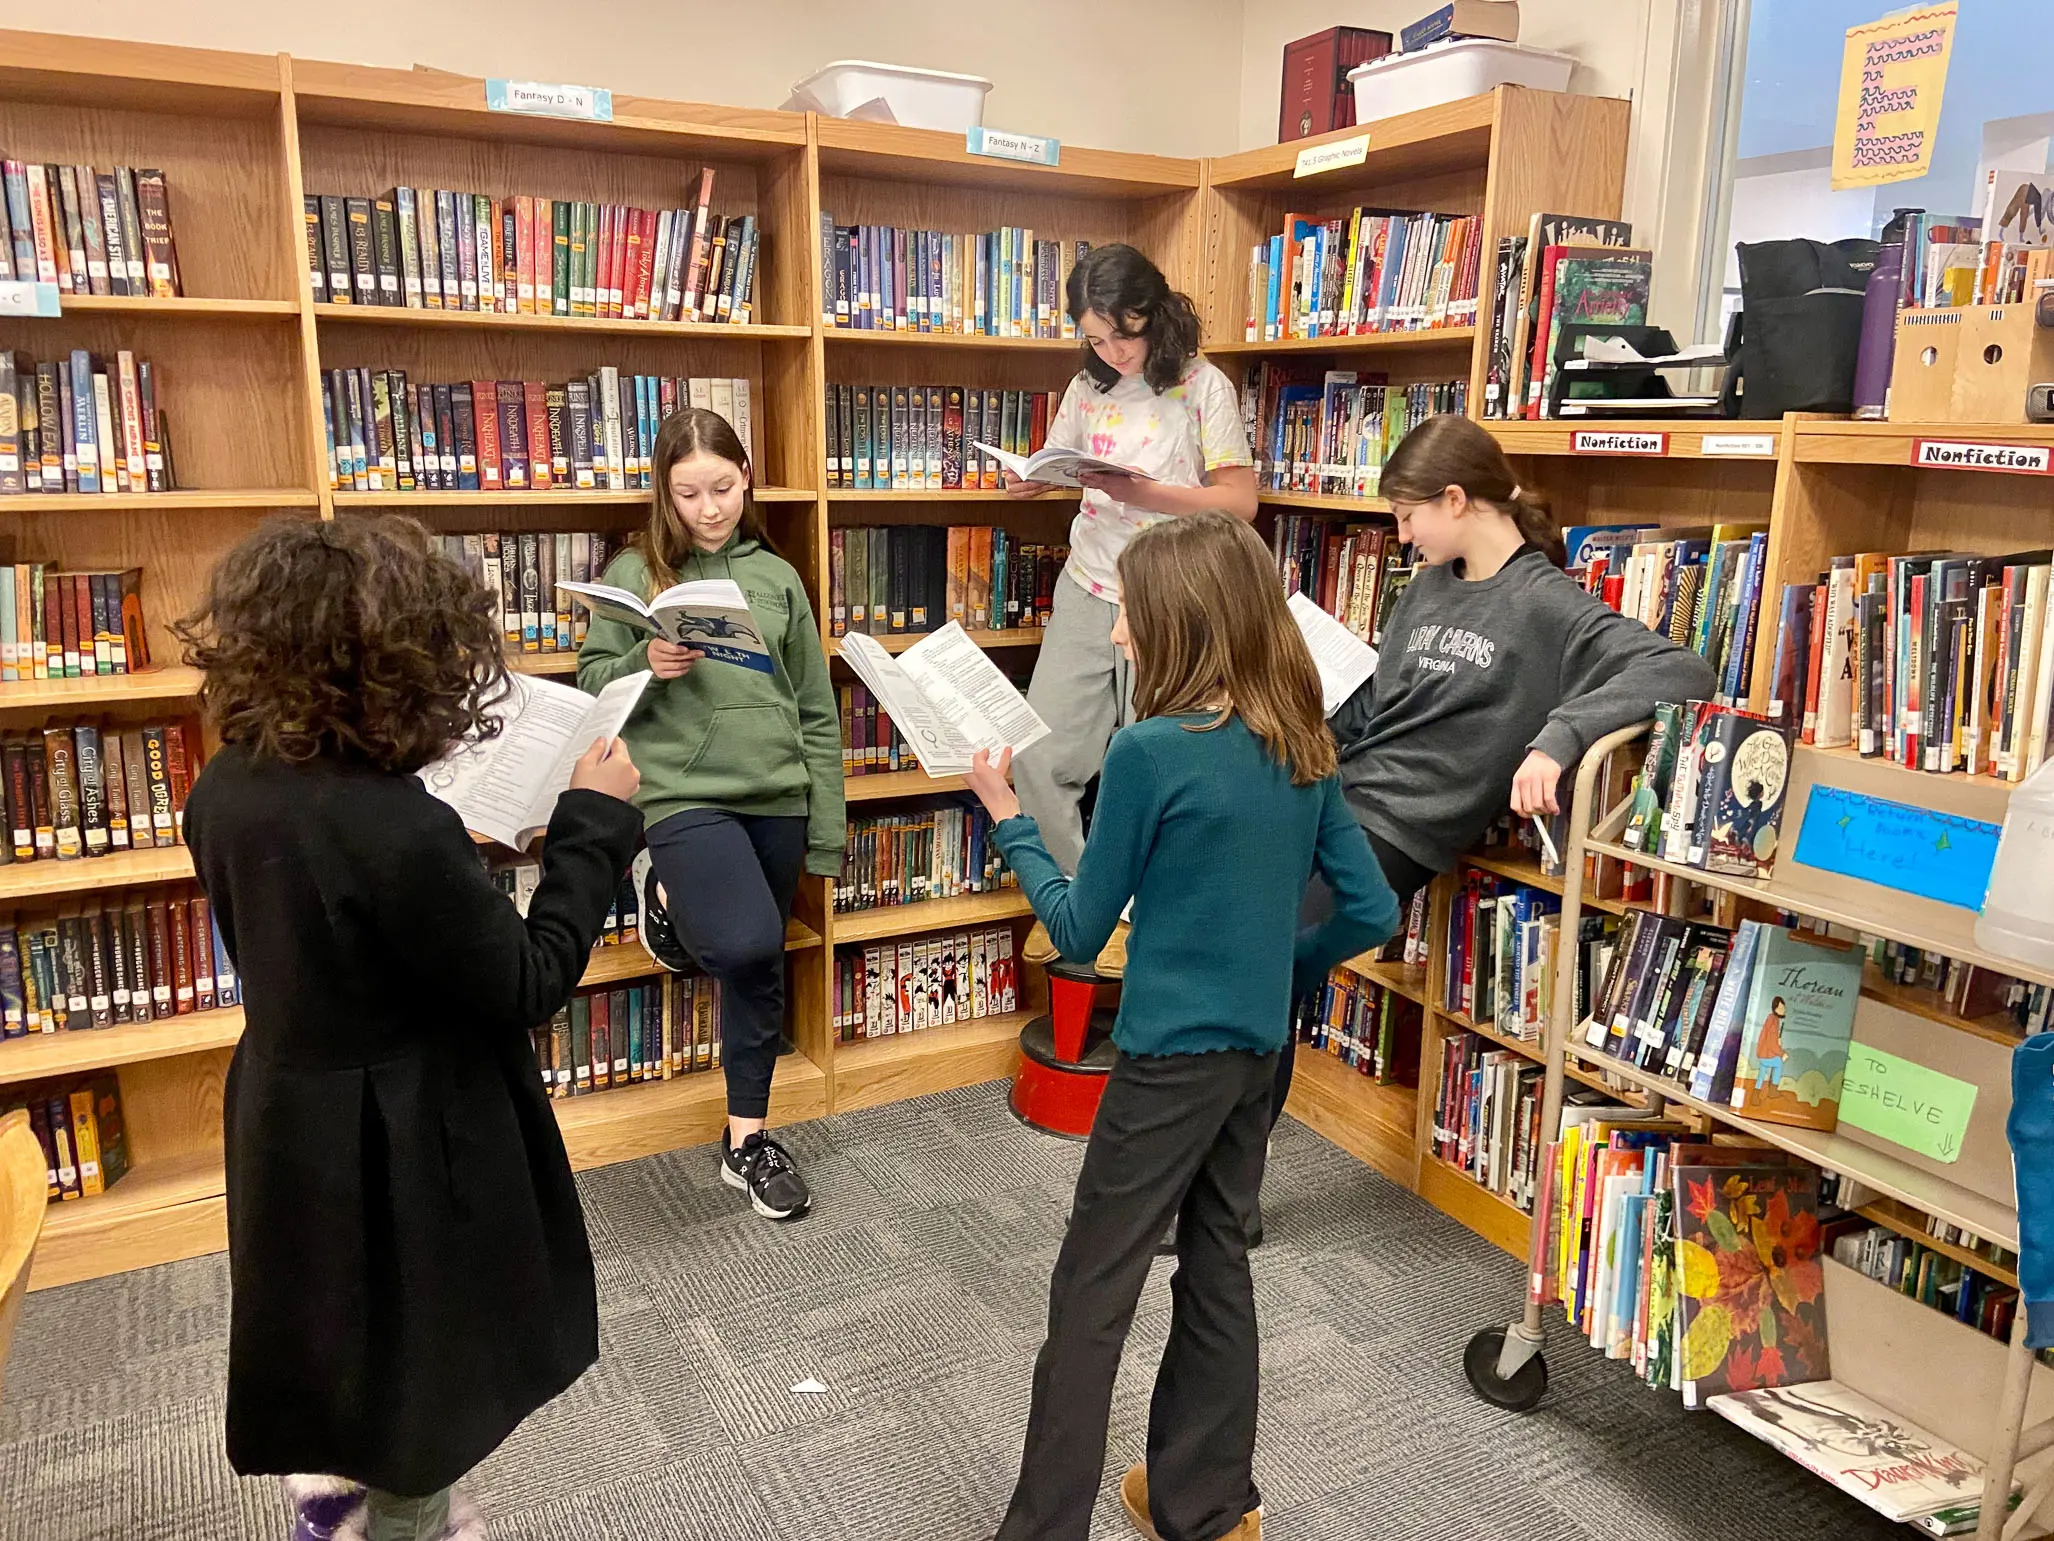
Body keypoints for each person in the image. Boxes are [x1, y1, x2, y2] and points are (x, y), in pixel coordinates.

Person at [179, 517, 643, 1541]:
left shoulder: (228, 781)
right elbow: (527, 978)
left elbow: (336, 909)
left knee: (339, 1333)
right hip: (402, 1136)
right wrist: (592, 828)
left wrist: (445, 863)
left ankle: (344, 1481)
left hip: (291, 1113)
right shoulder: (393, 824)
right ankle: (398, 1517)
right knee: (420, 1378)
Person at [964, 512, 1399, 1541]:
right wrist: (1277, 965)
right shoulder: (1301, 742)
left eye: (1131, 618)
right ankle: (1203, 1505)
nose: (1116, 638)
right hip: (1257, 1049)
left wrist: (1006, 814)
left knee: (1091, 1290)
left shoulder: (1151, 751)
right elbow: (1371, 910)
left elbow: (1074, 928)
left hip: (1167, 1062)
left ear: (1183, 624)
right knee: (1217, 1256)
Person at [1270, 413, 1720, 1132]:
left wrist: (1558, 737)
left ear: (1455, 499)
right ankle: (1213, 1166)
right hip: (1339, 789)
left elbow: (1684, 668)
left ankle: (1222, 1185)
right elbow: (1382, 709)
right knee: (1231, 925)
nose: (1404, 535)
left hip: (1402, 824)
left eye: (1407, 515)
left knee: (1264, 959)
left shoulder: (1547, 605)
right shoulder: (1425, 587)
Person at [577, 406, 843, 1222]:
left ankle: (747, 1141)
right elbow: (591, 687)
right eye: (689, 493)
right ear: (664, 492)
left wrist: (826, 830)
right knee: (745, 938)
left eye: (723, 487)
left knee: (757, 967)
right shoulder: (635, 573)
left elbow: (816, 709)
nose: (710, 508)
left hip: (777, 792)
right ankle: (665, 891)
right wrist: (641, 661)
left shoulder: (779, 577)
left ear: (747, 477)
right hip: (683, 792)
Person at [1005, 243, 1257, 887]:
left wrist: (1148, 495)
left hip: (1174, 597)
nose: (1112, 352)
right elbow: (1067, 458)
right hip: (1089, 586)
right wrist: (1036, 478)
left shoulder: (1203, 386)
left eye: (1124, 334)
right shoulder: (1086, 386)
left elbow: (1239, 503)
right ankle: (1086, 900)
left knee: (1158, 768)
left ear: (1154, 312)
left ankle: (1155, 908)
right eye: (1095, 338)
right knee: (1040, 759)